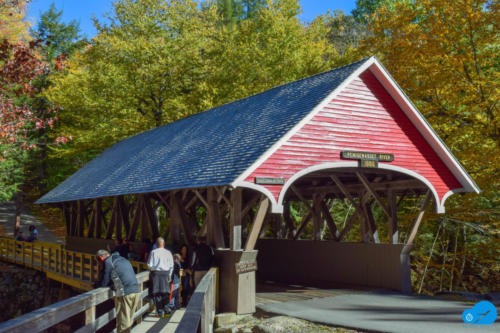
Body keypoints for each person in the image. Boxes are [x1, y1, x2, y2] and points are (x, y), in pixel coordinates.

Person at [96, 249, 141, 333]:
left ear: (101, 258)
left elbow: (104, 283)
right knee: (129, 321)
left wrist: (97, 284)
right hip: (136, 291)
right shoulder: (121, 259)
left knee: (123, 323)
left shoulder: (108, 262)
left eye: (99, 262)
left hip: (125, 293)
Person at [147, 237, 174, 317]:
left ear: (156, 244)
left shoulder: (153, 252)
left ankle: (160, 312)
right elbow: (171, 265)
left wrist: (154, 269)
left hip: (156, 274)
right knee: (166, 292)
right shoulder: (168, 252)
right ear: (164, 244)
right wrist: (169, 275)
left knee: (157, 292)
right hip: (166, 273)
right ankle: (167, 310)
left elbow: (149, 265)